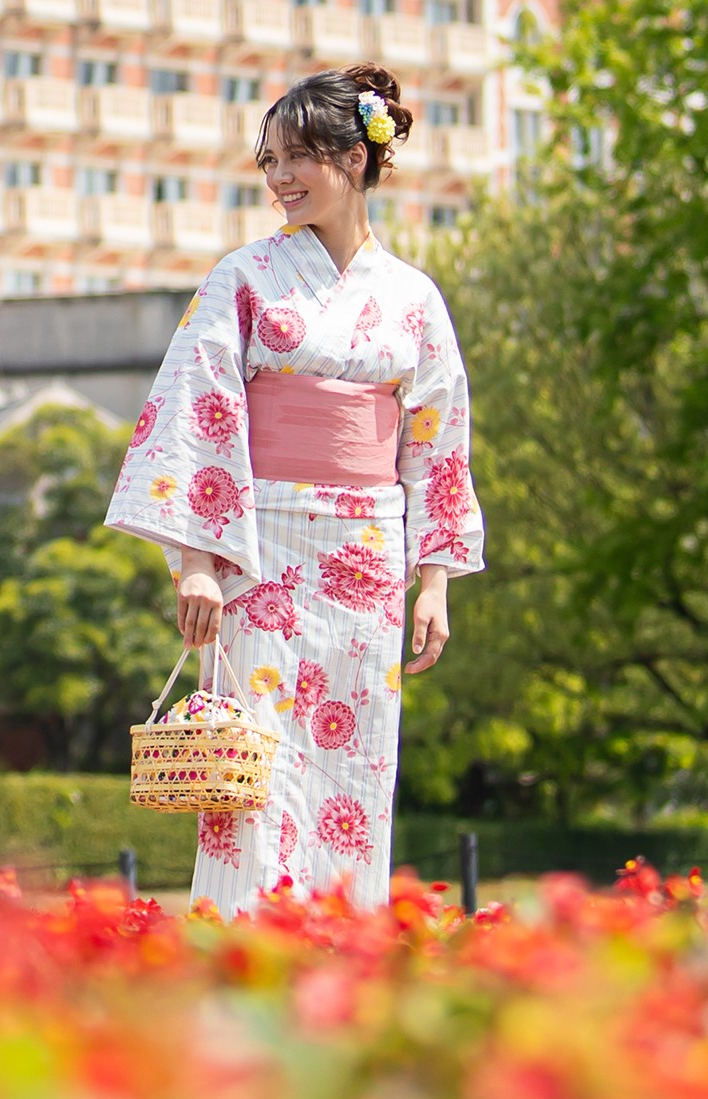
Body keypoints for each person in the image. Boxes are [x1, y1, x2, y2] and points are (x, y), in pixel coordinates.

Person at [106, 64, 482, 907]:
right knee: (253, 765)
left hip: (367, 548)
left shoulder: (413, 299)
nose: (278, 178)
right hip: (261, 543)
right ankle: (244, 948)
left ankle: (344, 946)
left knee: (358, 756)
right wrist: (198, 560)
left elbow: (436, 441)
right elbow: (196, 408)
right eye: (268, 160)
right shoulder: (243, 278)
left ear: (356, 158)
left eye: (297, 157)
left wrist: (437, 579)